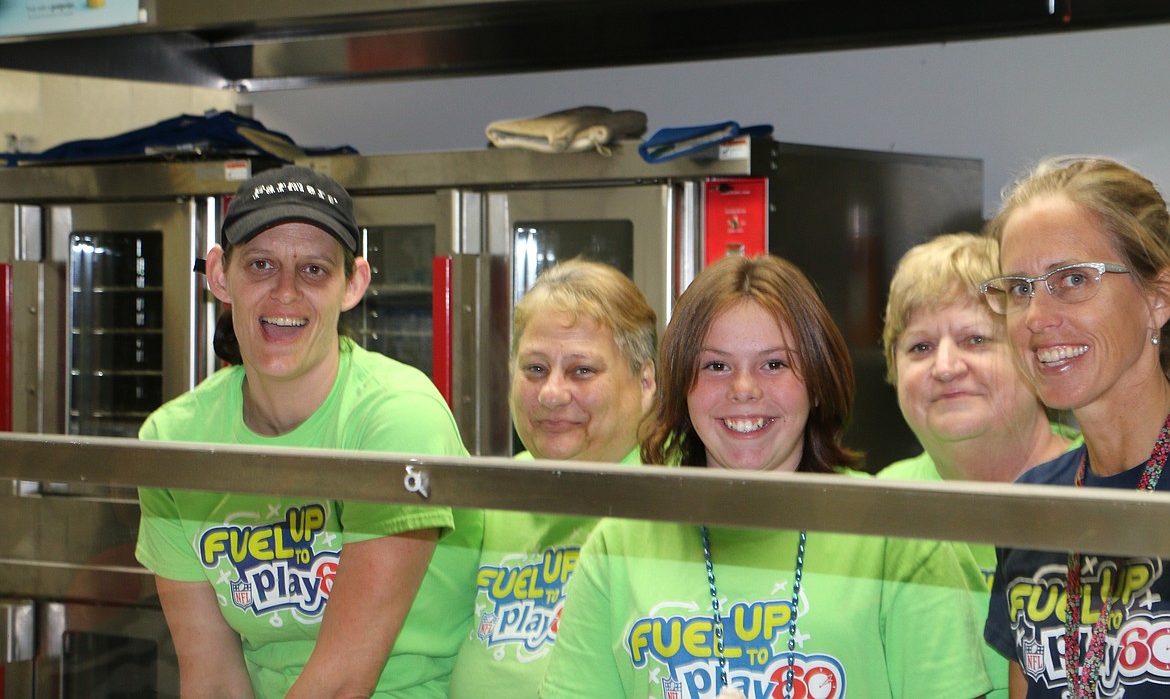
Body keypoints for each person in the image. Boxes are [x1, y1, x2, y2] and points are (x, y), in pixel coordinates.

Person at [539, 254, 991, 699]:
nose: (744, 389)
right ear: (682, 387)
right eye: (716, 366)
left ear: (816, 381)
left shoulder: (897, 532)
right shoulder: (617, 545)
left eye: (774, 364)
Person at [135, 165, 481, 698]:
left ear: (354, 283)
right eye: (261, 264)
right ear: (219, 275)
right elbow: (212, 678)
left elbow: (342, 684)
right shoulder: (175, 439)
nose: (286, 292)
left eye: (315, 269)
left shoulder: (397, 417)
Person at [981, 156, 1170, 697]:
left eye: (1071, 279)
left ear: (1156, 299)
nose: (1036, 316)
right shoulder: (1034, 504)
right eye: (1019, 288)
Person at [877, 232, 1080, 699]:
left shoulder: (1111, 480)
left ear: (1033, 353)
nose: (946, 367)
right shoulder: (881, 505)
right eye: (920, 348)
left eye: (975, 339)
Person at [449, 257, 657, 698]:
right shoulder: (497, 492)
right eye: (535, 369)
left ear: (646, 382)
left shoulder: (677, 498)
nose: (551, 393)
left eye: (582, 370)